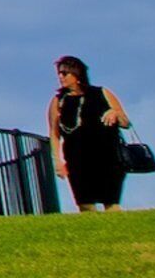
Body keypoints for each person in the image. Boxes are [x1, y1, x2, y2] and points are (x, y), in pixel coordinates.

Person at [51, 56, 137, 213]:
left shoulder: (101, 93)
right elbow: (54, 134)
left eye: (64, 73)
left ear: (76, 75)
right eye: (59, 73)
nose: (60, 77)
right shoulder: (59, 101)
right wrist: (57, 161)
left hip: (108, 156)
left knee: (111, 202)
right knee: (85, 204)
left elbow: (126, 122)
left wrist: (115, 113)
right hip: (77, 159)